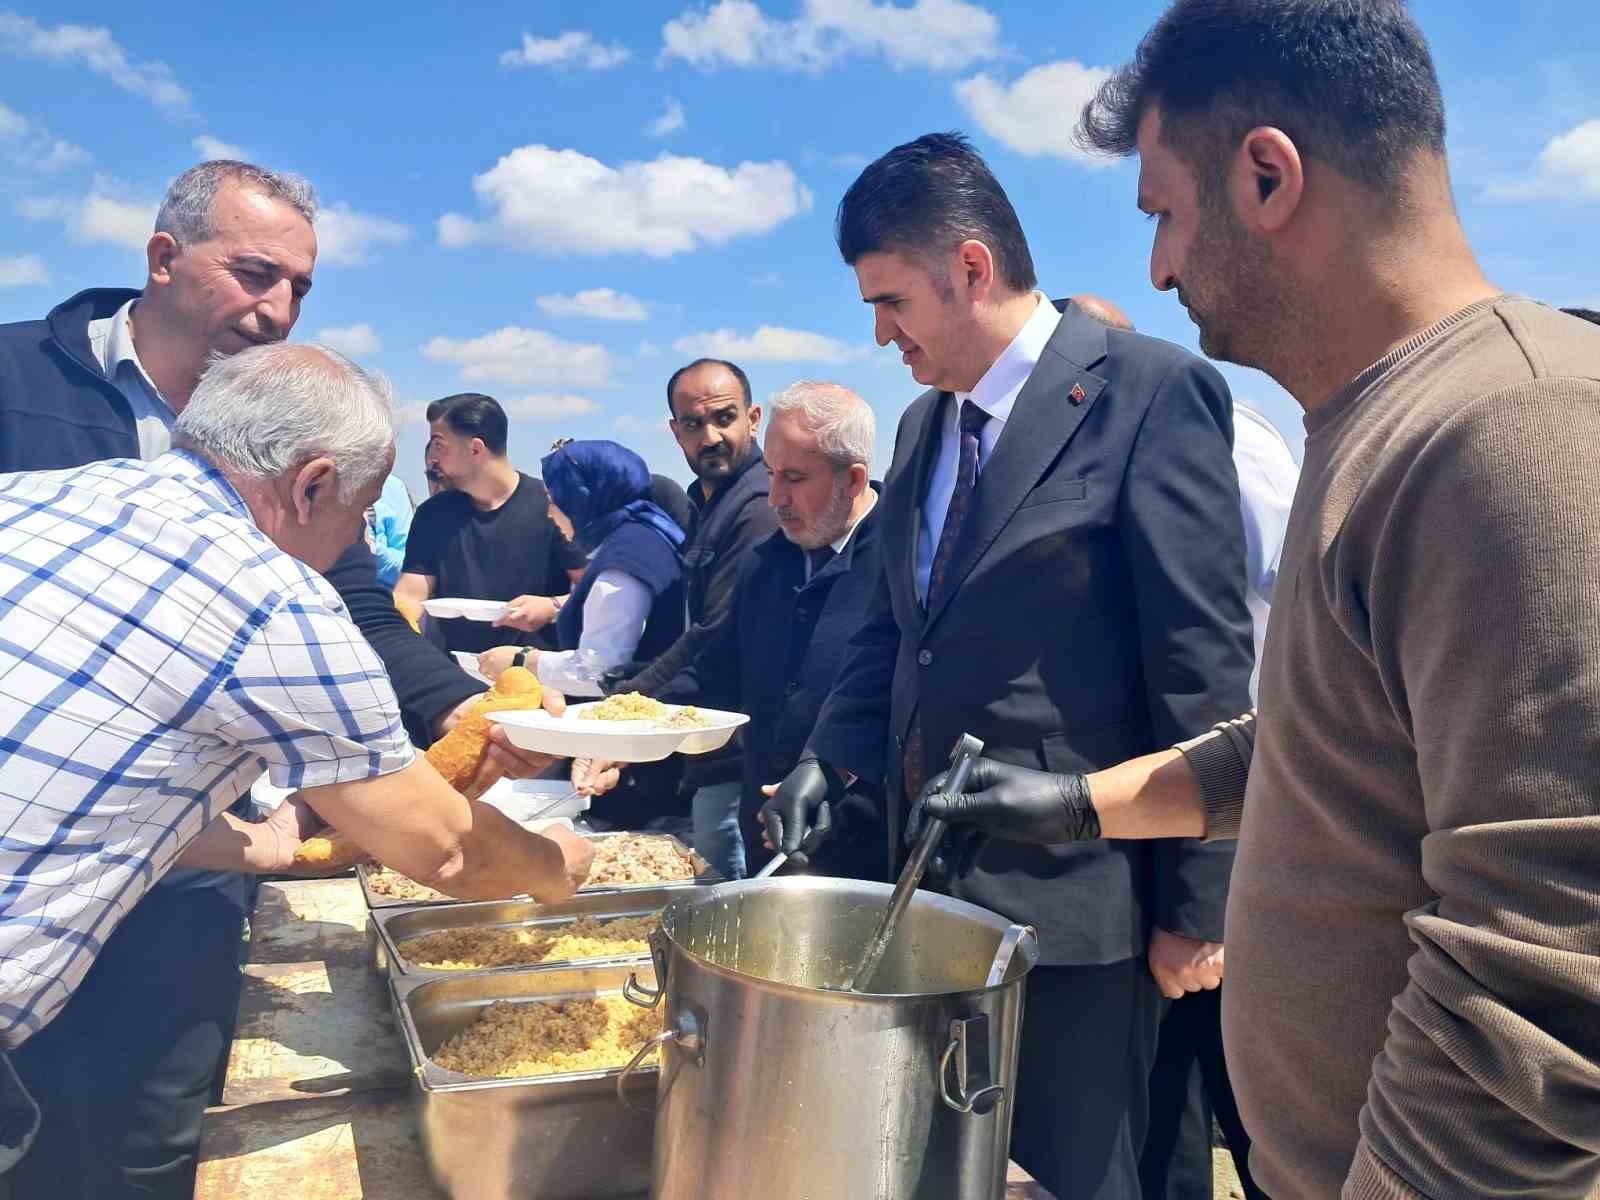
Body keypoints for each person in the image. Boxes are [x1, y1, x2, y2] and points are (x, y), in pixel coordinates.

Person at [914, 3, 1600, 1197]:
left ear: (1269, 176)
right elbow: (1313, 745)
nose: (1158, 267)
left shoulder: (1511, 431)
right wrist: (1077, 806)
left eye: (1165, 216)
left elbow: (1543, 990)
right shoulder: (1375, 423)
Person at [0, 158, 553, 1198]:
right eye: (256, 273)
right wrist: (551, 869)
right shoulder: (21, 382)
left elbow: (356, 616)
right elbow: (442, 846)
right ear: (163, 259)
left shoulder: (157, 477)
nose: (279, 308)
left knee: (138, 1142)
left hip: (174, 871)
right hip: (46, 892)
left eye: (301, 286)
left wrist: (463, 709)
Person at [763, 133, 1255, 1200]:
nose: (882, 333)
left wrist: (1196, 911)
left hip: (1086, 910)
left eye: (891, 301)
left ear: (971, 268)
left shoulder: (1147, 393)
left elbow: (1201, 662)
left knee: (1091, 1176)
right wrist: (828, 759)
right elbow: (895, 632)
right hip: (934, 890)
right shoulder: (924, 423)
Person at [1069, 296, 1292, 1200]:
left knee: (1248, 1094)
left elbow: (1257, 627)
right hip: (1157, 810)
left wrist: (1204, 894)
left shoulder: (1228, 434)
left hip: (1240, 804)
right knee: (1168, 1096)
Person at [617, 382, 886, 879]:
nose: (775, 497)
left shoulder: (905, 561)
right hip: (765, 842)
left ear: (853, 480)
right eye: (769, 474)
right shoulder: (764, 562)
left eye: (794, 478)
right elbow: (713, 672)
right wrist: (622, 728)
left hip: (869, 850)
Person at [616, 359, 781, 880]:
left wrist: (628, 709)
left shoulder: (757, 506)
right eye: (693, 425)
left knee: (728, 905)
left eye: (724, 418)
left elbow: (714, 633)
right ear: (675, 431)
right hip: (707, 739)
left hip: (737, 748)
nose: (711, 437)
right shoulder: (708, 500)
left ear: (753, 418)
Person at [482, 439, 686, 696]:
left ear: (578, 498)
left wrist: (521, 661)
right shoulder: (647, 534)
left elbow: (598, 672)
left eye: (553, 500)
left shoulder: (623, 562)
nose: (549, 513)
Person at [396, 393, 585, 654]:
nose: (433, 458)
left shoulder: (552, 508)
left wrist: (552, 606)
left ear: (475, 449)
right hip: (454, 675)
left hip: (536, 676)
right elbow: (410, 594)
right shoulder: (432, 514)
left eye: (439, 445)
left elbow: (595, 593)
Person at [366, 472, 414, 587]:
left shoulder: (392, 486)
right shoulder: (319, 481)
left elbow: (410, 564)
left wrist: (372, 549)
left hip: (376, 598)